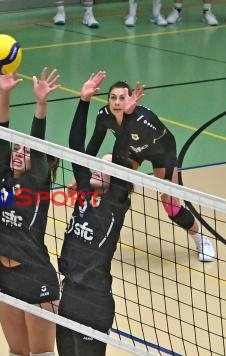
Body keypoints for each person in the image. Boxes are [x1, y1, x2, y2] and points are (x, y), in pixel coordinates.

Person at [57, 71, 140, 356]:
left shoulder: (115, 202)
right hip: (68, 294)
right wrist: (84, 100)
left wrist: (127, 119)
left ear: (117, 177)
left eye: (106, 167)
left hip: (93, 301)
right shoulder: (83, 194)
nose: (97, 168)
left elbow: (122, 154)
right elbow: (76, 146)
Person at [0, 68, 61, 356]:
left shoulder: (37, 184)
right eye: (18, 150)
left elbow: (38, 138)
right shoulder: (5, 175)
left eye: (26, 151)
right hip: (6, 278)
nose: (19, 152)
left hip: (36, 277)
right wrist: (4, 93)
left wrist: (40, 105)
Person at [82, 80, 216, 262]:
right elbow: (93, 146)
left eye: (122, 98)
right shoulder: (104, 115)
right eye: (113, 98)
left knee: (170, 205)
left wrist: (168, 178)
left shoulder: (145, 119)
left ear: (130, 99)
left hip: (161, 154)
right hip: (130, 151)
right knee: (106, 168)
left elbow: (169, 144)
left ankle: (202, 240)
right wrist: (80, 174)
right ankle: (102, 230)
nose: (117, 102)